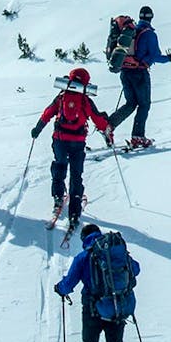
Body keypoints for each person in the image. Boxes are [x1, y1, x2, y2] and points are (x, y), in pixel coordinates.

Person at [55, 223, 142, 342]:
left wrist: (59, 288)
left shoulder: (85, 256)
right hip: (118, 309)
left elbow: (69, 284)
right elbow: (135, 269)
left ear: (84, 238)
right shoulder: (116, 253)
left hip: (93, 310)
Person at [31, 68, 113, 228]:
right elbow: (98, 120)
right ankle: (74, 213)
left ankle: (58, 197)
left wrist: (37, 129)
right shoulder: (85, 100)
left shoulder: (61, 97)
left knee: (59, 166)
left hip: (59, 140)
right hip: (77, 142)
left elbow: (47, 113)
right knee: (76, 176)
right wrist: (107, 132)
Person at [107, 5, 171, 148]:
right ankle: (138, 136)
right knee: (144, 104)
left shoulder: (131, 31)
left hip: (125, 71)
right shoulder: (149, 34)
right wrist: (170, 57)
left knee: (131, 103)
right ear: (151, 17)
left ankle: (108, 125)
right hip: (139, 73)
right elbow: (155, 56)